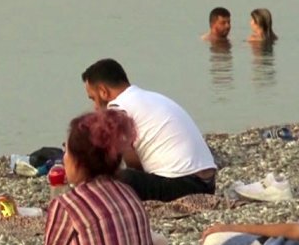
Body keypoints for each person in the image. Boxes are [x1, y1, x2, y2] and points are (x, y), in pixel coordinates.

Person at [37, 109, 158, 245]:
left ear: (78, 161)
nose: (64, 158)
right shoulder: (128, 193)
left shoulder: (67, 205)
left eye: (66, 151)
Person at [81, 58, 218, 202]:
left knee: (116, 178)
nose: (95, 107)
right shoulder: (150, 97)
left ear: (103, 91)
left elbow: (132, 162)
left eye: (93, 98)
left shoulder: (117, 107)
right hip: (207, 184)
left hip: (182, 185)